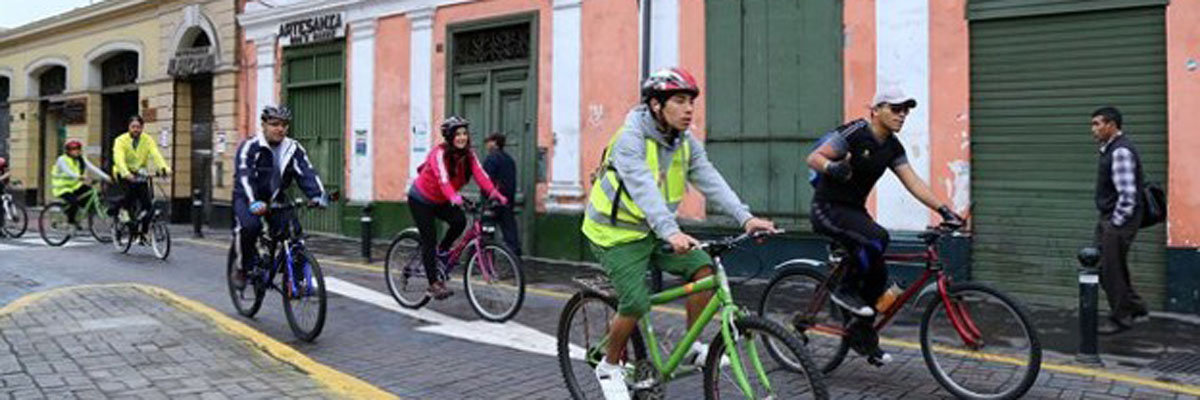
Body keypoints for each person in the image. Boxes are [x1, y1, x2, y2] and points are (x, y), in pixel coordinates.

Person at [585, 67, 777, 400]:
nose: (689, 109)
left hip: (655, 231)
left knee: (702, 268)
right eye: (679, 100)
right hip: (614, 234)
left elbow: (710, 180)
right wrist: (671, 231)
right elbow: (643, 187)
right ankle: (609, 365)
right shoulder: (630, 138)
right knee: (635, 299)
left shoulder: (685, 142)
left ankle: (693, 344)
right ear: (656, 106)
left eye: (691, 101)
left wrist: (745, 218)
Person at [806, 87, 963, 366]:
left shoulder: (892, 147)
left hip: (854, 212)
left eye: (906, 110)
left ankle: (862, 333)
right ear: (876, 110)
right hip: (827, 209)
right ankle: (844, 290)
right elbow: (814, 158)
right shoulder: (855, 133)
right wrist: (833, 169)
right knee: (878, 238)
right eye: (895, 109)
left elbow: (912, 181)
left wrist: (943, 210)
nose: (902, 115)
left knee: (882, 284)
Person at [410, 116, 508, 300]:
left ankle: (442, 252)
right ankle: (432, 284)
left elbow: (481, 175)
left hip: (440, 200)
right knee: (429, 239)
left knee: (459, 221)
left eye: (464, 134)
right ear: (449, 137)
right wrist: (454, 197)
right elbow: (443, 180)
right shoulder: (438, 153)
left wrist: (496, 194)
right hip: (421, 199)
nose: (462, 137)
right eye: (457, 134)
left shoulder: (469, 155)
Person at [230, 105, 328, 289]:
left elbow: (306, 171)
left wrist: (317, 195)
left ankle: (296, 280)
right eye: (274, 124)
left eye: (284, 125)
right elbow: (245, 175)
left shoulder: (292, 148)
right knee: (249, 227)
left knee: (294, 234)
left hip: (275, 198)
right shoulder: (250, 147)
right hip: (247, 197)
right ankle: (242, 268)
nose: (280, 129)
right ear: (264, 125)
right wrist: (253, 201)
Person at [1089, 106, 1149, 332]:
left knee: (1110, 269)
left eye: (1097, 124)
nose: (1093, 129)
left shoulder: (1120, 151)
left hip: (1118, 219)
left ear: (1111, 125)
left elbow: (1128, 194)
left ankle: (1122, 317)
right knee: (1107, 266)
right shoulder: (1110, 149)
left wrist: (1115, 223)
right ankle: (1134, 305)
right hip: (1110, 217)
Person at [111, 115, 171, 233]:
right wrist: (125, 173)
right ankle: (123, 210)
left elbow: (155, 154)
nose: (136, 129)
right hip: (123, 172)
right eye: (133, 127)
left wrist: (164, 168)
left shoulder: (147, 139)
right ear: (129, 127)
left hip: (140, 173)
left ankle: (143, 234)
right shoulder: (120, 140)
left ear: (142, 128)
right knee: (129, 194)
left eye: (138, 127)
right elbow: (119, 158)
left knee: (147, 205)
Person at [51, 139, 112, 229]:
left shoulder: (81, 159)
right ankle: (71, 222)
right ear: (68, 151)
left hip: (75, 186)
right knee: (74, 201)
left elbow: (92, 167)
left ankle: (78, 217)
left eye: (78, 149)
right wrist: (79, 176)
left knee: (90, 196)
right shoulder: (62, 159)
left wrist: (106, 177)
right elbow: (67, 171)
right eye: (73, 149)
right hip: (62, 188)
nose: (76, 151)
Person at [483, 132, 521, 257]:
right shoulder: (509, 159)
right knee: (510, 234)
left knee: (486, 233)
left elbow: (486, 181)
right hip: (507, 202)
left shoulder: (491, 159)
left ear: (494, 143)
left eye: (488, 142)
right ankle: (515, 260)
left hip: (492, 202)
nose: (487, 145)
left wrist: (486, 199)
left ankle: (484, 262)